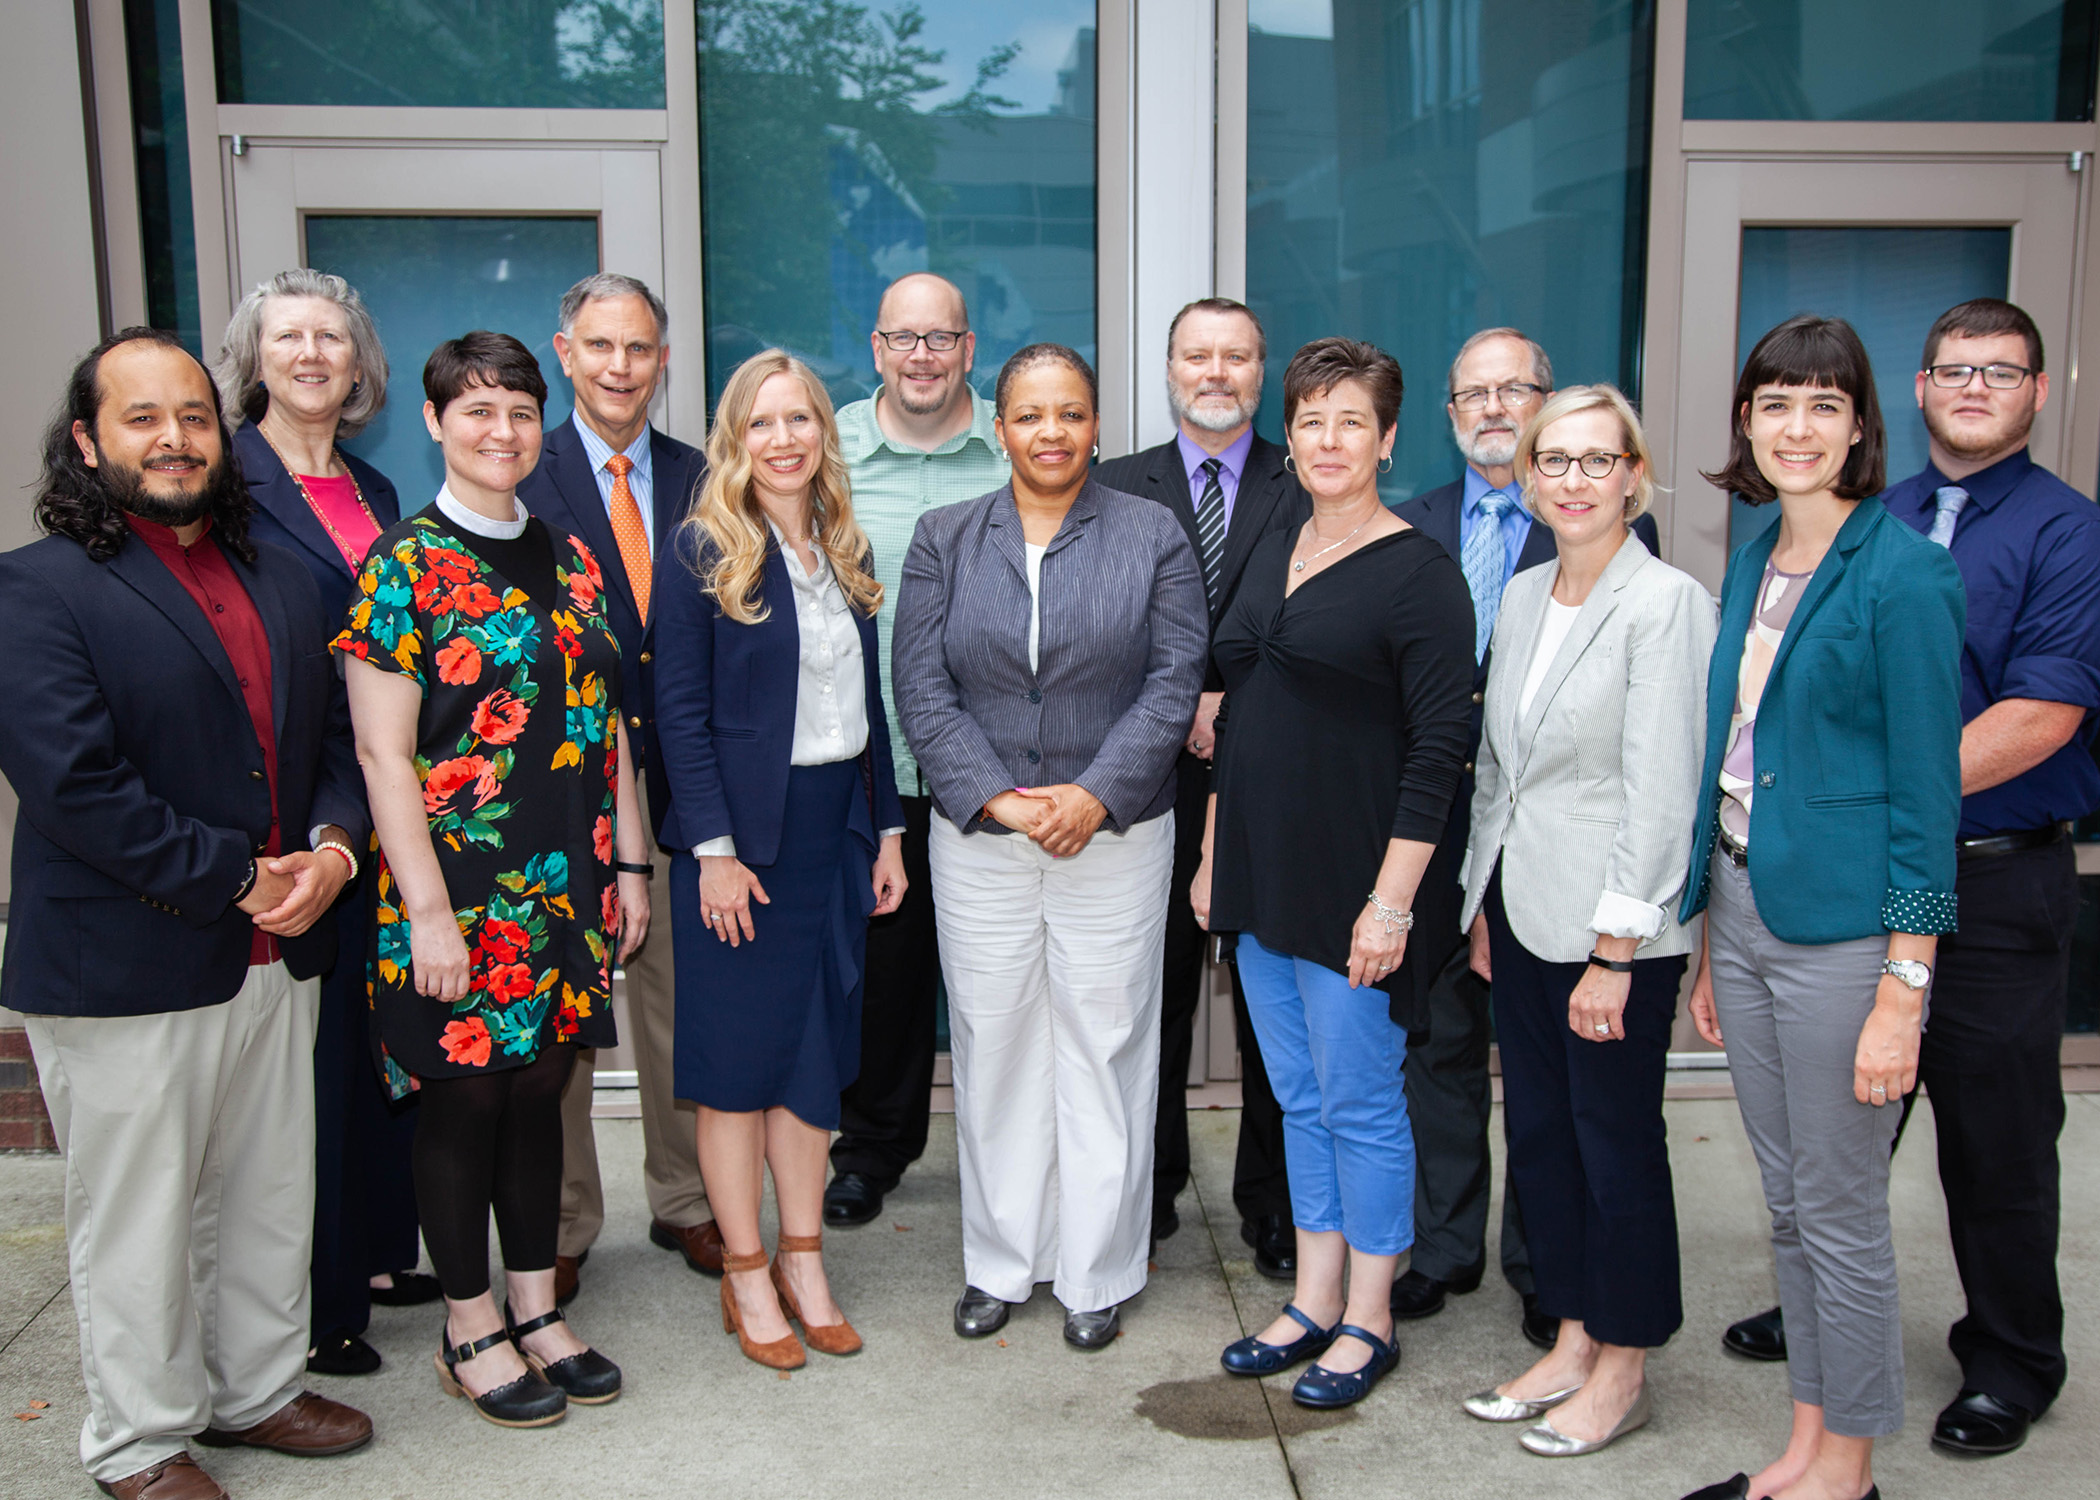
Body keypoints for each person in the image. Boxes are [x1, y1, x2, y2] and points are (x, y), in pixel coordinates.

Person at [1718, 304, 2100, 1457]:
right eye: (1953, 368)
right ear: (1921, 389)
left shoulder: (2057, 532)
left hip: (1984, 878)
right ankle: (1831, 1350)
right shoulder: (1819, 533)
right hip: (1815, 892)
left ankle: (2009, 1360)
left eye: (2001, 371)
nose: (1974, 388)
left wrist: (1856, 806)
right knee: (1826, 1167)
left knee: (1993, 1140)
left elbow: (2038, 715)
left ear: (2038, 391)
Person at [0, 329, 373, 1500]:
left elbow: (332, 748)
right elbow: (73, 783)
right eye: (142, 418)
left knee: (267, 1187)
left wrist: (329, 846)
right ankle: (140, 1440)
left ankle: (255, 1389)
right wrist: (235, 873)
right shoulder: (37, 587)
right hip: (128, 955)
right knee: (142, 1216)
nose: (173, 439)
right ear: (86, 442)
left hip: (278, 943)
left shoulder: (285, 575)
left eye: (195, 417)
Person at [1678, 316, 1964, 1500]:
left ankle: (1846, 1473)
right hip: (1744, 912)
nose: (1798, 427)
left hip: (1848, 940)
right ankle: (1801, 1447)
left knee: (1839, 1213)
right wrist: (1706, 942)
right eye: (1776, 403)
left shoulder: (1905, 574)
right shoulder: (1754, 556)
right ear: (1746, 420)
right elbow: (1739, 756)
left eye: (1823, 405)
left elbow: (1923, 796)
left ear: (1859, 427)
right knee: (1789, 1205)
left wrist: (1904, 989)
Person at [336, 332, 644, 1428]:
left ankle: (535, 1307)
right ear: (432, 423)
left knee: (538, 1101)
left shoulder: (570, 556)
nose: (501, 431)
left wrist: (630, 869)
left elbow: (607, 726)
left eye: (518, 409)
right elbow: (382, 757)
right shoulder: (401, 568)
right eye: (476, 411)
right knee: (464, 1107)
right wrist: (426, 913)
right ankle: (468, 1326)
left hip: (562, 886)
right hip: (453, 896)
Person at [893, 343, 1206, 1350]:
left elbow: (1174, 677)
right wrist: (998, 797)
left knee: (1106, 1046)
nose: (1052, 432)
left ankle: (1097, 1271)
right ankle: (1000, 1262)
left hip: (1115, 837)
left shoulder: (1152, 532)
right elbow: (920, 686)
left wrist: (1093, 794)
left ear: (1098, 424)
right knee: (995, 1045)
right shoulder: (945, 538)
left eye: (1071, 413)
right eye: (1031, 414)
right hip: (983, 839)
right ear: (1001, 426)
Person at [1197, 337, 1473, 1410]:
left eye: (1349, 420)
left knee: (1361, 1102)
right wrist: (1218, 856)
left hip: (1360, 883)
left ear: (1388, 438)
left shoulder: (1420, 574)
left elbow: (1439, 755)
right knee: (1297, 1094)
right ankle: (1311, 1299)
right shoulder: (1275, 534)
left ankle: (1370, 1316)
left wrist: (1392, 903)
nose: (1326, 438)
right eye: (1309, 418)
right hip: (1264, 873)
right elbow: (1241, 711)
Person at [1455, 385, 1714, 1456]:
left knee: (1617, 1147)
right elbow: (1496, 774)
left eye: (1595, 460)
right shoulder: (1522, 597)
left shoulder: (1667, 602)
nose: (1572, 479)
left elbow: (1661, 793)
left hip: (1616, 933)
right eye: (1551, 460)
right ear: (1524, 477)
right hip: (1522, 912)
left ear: (1632, 475)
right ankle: (1569, 1340)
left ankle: (1626, 1362)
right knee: (1548, 1141)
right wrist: (1480, 899)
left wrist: (1616, 952)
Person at [1392, 327, 1659, 1347]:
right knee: (1442, 1043)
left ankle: (1550, 1265)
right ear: (1450, 414)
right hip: (1437, 823)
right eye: (1475, 394)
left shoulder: (1601, 534)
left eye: (1517, 391)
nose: (1495, 408)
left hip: (1555, 835)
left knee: (1548, 1068)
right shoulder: (1407, 525)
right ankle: (1443, 1247)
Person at [654, 349, 908, 1370]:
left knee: (811, 1067)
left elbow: (870, 712)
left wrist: (887, 829)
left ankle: (806, 1260)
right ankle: (747, 1273)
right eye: (761, 423)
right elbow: (678, 712)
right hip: (742, 846)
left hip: (833, 836)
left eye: (800, 418)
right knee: (735, 1074)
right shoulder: (701, 550)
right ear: (734, 440)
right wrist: (712, 851)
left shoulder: (842, 548)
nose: (784, 439)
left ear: (823, 433)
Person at [215, 267, 431, 1379]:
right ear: (255, 356)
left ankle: (384, 1248)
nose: (311, 355)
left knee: (373, 1034)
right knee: (310, 1067)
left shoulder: (378, 490)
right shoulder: (226, 487)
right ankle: (321, 1299)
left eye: (332, 339)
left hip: (380, 798)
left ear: (360, 367)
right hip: (293, 808)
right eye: (289, 337)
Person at [519, 273, 719, 1301]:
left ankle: (685, 1200)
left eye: (638, 348)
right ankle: (561, 1219)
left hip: (680, 797)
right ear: (565, 352)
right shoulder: (523, 472)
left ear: (663, 359)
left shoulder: (702, 474)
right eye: (599, 347)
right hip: (557, 800)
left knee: (676, 1011)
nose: (619, 368)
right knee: (565, 1026)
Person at [1093, 296, 1302, 1275]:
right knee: (1152, 1000)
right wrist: (1177, 705)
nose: (1216, 372)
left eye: (1237, 356)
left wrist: (1235, 701)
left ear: (1263, 372)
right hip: (1146, 784)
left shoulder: (1309, 482)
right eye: (1197, 356)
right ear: (1169, 369)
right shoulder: (1112, 485)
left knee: (1273, 1008)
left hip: (1273, 782)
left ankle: (1272, 1197)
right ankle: (1153, 1184)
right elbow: (1097, 633)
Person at [825, 272, 1009, 1229]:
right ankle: (871, 1147)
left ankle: (1008, 1152)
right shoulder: (832, 451)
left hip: (994, 765)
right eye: (905, 338)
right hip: (871, 761)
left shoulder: (1014, 445)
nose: (924, 356)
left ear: (968, 350)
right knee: (885, 979)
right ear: (877, 347)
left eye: (942, 339)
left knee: (997, 978)